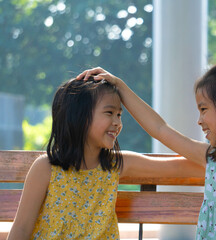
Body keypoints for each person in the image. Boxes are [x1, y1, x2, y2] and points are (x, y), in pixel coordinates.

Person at [77, 61, 216, 239]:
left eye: (203, 109)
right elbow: (160, 129)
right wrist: (120, 87)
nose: (199, 120)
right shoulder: (212, 158)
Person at [7, 77, 204, 240]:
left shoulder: (116, 165)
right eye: (109, 113)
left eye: (119, 115)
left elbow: (180, 168)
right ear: (79, 116)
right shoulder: (46, 168)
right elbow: (21, 229)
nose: (117, 123)